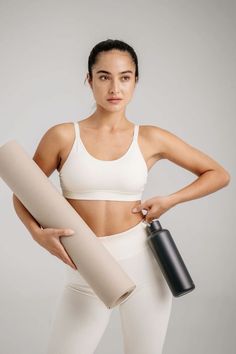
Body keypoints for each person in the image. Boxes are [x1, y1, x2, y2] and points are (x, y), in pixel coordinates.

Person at [12, 39, 230, 354]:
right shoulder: (62, 136)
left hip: (143, 264)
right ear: (89, 80)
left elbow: (218, 174)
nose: (115, 87)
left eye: (125, 77)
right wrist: (37, 234)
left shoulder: (151, 137)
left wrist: (170, 200)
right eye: (104, 76)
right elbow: (23, 190)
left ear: (135, 81)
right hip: (85, 266)